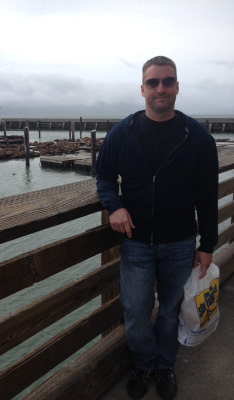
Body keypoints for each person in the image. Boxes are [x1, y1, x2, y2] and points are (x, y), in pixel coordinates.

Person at [96, 56, 218, 400]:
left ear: (177, 86)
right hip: (136, 242)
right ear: (142, 89)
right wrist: (115, 205)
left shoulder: (197, 137)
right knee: (135, 310)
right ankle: (144, 364)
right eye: (153, 83)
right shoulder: (124, 132)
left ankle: (165, 365)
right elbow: (103, 176)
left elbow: (209, 196)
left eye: (167, 81)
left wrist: (207, 244)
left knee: (169, 311)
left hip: (180, 241)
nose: (160, 88)